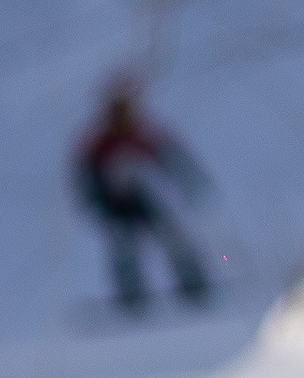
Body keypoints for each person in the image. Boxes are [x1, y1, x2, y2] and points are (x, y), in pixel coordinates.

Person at [72, 80, 211, 311]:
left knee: (173, 238)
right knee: (124, 248)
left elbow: (175, 159)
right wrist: (94, 202)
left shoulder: (143, 133)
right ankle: (132, 297)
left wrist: (193, 184)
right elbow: (85, 177)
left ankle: (194, 286)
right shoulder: (99, 142)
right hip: (115, 204)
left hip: (146, 200)